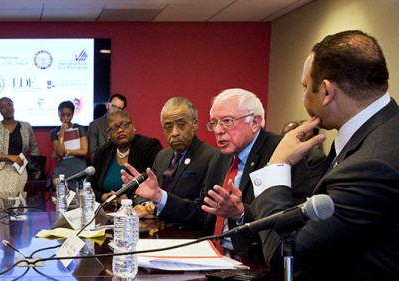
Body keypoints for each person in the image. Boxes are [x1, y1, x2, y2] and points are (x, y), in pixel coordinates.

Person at [249, 30, 399, 281]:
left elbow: (284, 253)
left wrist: (277, 165)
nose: (305, 96)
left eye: (306, 87)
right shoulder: (379, 131)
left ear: (327, 91)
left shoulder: (372, 163)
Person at [122, 88, 312, 256]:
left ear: (255, 122)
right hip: (213, 254)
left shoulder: (280, 152)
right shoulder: (221, 158)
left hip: (255, 260)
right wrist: (159, 196)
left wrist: (241, 214)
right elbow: (201, 213)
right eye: (214, 123)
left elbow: (296, 217)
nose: (218, 131)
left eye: (227, 121)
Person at [151, 96, 218, 201]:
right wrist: (146, 204)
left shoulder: (211, 157)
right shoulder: (161, 156)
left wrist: (162, 204)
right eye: (168, 127)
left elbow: (204, 207)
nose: (174, 133)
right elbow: (150, 191)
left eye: (181, 125)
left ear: (195, 124)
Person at [90, 110, 162, 203]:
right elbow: (91, 187)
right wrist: (104, 197)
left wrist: (129, 201)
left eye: (124, 124)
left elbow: (158, 187)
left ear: (133, 126)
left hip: (139, 211)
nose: (120, 130)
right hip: (108, 211)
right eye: (113, 128)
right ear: (108, 134)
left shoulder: (149, 147)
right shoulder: (102, 152)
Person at [0, 96, 39, 199]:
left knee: (12, 196)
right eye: (3, 107)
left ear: (13, 106)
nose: (7, 108)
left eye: (9, 105)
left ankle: (14, 214)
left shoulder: (26, 127)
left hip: (18, 168)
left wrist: (31, 165)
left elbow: (34, 148)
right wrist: (8, 157)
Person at [50, 100, 88, 189]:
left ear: (72, 114)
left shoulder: (80, 128)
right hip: (63, 165)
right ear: (59, 114)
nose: (65, 118)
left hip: (78, 163)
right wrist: (62, 133)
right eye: (62, 115)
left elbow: (84, 151)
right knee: (57, 181)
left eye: (68, 115)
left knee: (80, 184)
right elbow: (59, 153)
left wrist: (67, 152)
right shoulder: (54, 132)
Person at [87, 93, 126, 163]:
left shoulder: (124, 127)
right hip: (101, 166)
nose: (115, 111)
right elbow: (93, 155)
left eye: (119, 109)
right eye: (113, 106)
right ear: (108, 106)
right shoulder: (95, 125)